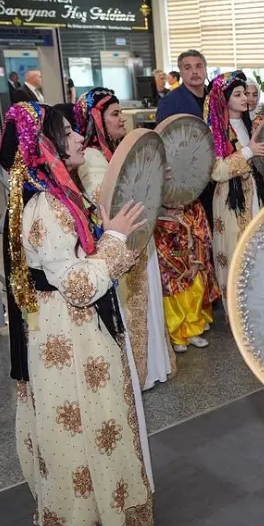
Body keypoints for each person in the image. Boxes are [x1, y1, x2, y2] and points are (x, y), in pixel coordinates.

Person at [1, 102, 154, 526]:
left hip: (77, 328)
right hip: (67, 331)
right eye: (67, 133)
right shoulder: (45, 205)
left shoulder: (59, 192)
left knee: (97, 419)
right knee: (84, 423)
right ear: (43, 145)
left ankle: (110, 510)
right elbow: (79, 285)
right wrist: (112, 240)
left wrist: (114, 235)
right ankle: (89, 523)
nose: (79, 138)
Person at [75, 87, 177, 390]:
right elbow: (103, 199)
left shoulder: (115, 150)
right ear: (97, 119)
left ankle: (154, 367)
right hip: (120, 242)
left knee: (149, 304)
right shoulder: (92, 156)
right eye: (115, 114)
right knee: (132, 306)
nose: (122, 119)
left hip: (139, 237)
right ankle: (138, 374)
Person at [204, 71, 264, 308]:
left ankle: (258, 308)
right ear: (223, 99)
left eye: (245, 93)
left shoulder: (248, 126)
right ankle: (237, 312)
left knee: (257, 253)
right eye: (238, 94)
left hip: (254, 195)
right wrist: (248, 151)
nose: (245, 98)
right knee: (235, 255)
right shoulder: (214, 131)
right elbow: (217, 171)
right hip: (230, 202)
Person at [153, 203, 220, 353]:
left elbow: (200, 238)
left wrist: (196, 263)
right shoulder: (159, 219)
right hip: (171, 269)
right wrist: (178, 270)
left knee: (193, 298)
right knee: (174, 304)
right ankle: (176, 337)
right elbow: (160, 248)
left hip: (191, 263)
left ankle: (193, 331)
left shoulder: (191, 213)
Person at [156, 50, 213, 224]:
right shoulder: (170, 102)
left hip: (218, 175)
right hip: (187, 178)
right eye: (188, 68)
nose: (194, 71)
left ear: (205, 69)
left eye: (198, 66)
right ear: (181, 72)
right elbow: (164, 143)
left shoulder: (215, 98)